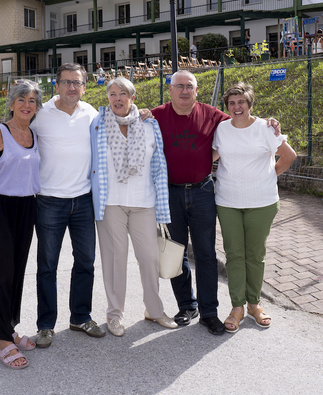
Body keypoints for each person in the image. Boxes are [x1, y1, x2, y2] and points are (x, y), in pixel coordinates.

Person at [0, 63, 105, 348]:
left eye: (77, 82)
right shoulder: (41, 113)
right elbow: (12, 127)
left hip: (84, 200)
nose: (72, 87)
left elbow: (122, 119)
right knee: (47, 265)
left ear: (85, 86)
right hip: (49, 201)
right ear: (57, 85)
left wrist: (144, 113)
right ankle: (46, 325)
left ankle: (80, 317)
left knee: (85, 262)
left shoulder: (93, 114)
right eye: (66, 82)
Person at [151, 70, 281, 335]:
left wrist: (268, 122)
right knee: (176, 252)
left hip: (203, 192)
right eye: (179, 86)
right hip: (170, 192)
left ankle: (209, 312)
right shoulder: (156, 114)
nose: (185, 91)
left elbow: (243, 121)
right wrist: (138, 111)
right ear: (170, 89)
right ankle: (187, 305)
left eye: (190, 86)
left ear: (197, 91)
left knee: (207, 254)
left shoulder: (213, 116)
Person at [89, 77, 178, 336]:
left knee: (149, 258)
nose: (117, 98)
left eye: (123, 93)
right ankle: (114, 315)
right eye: (112, 93)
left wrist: (162, 204)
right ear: (107, 98)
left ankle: (154, 310)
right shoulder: (97, 124)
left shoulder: (149, 125)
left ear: (133, 98)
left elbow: (159, 164)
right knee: (115, 261)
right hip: (111, 202)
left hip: (144, 202)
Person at [212, 82, 296, 333]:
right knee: (234, 255)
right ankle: (237, 307)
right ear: (227, 107)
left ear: (250, 104)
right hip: (228, 202)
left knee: (255, 255)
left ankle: (255, 304)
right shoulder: (221, 129)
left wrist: (270, 176)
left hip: (262, 202)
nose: (237, 107)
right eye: (232, 103)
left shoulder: (265, 129)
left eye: (241, 102)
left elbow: (289, 156)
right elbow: (210, 157)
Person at [0, 82, 43, 369]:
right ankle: (2, 340)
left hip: (26, 208)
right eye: (21, 100)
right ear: (12, 103)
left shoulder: (34, 134)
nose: (27, 104)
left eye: (32, 101)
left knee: (15, 273)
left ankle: (8, 327)